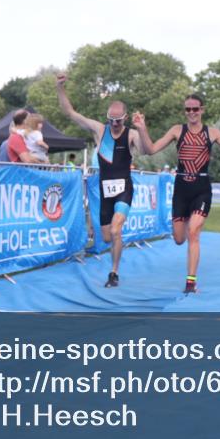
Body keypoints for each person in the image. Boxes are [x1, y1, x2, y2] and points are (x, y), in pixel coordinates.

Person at [134, 94, 220, 294]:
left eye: (195, 109)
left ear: (202, 110)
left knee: (193, 232)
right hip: (181, 188)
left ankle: (190, 282)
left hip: (201, 187)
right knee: (178, 238)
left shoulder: (213, 132)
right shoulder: (177, 130)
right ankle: (190, 276)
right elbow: (150, 150)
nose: (191, 113)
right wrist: (142, 129)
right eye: (188, 109)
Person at [55, 74, 146, 288]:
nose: (114, 124)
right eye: (111, 120)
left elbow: (143, 150)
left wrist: (142, 129)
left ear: (124, 118)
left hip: (124, 188)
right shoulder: (99, 130)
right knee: (107, 238)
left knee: (115, 231)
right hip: (105, 190)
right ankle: (117, 241)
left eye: (118, 121)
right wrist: (60, 88)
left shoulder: (131, 135)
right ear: (107, 117)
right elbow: (70, 113)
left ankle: (113, 273)